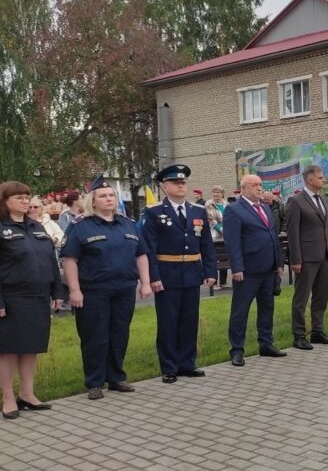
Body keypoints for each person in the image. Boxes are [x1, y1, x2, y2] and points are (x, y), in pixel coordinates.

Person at [60, 176, 152, 400]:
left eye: (112, 195)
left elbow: (141, 254)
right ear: (93, 200)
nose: (109, 199)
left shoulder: (127, 223)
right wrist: (74, 290)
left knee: (119, 333)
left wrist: (146, 282)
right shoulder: (81, 226)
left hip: (124, 288)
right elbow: (69, 259)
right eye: (103, 196)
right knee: (95, 336)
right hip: (93, 290)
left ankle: (116, 377)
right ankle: (95, 381)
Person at [142, 164, 217, 384]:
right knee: (168, 322)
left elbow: (206, 244)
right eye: (176, 182)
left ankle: (187, 363)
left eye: (183, 182)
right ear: (165, 186)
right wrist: (154, 277)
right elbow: (149, 249)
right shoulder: (154, 212)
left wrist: (210, 270)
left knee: (189, 320)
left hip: (192, 273)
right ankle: (169, 367)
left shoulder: (197, 210)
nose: (181, 186)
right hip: (167, 274)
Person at [0, 182, 64, 419]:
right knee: (7, 351)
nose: (25, 201)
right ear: (4, 201)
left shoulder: (37, 227)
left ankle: (27, 394)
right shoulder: (1, 228)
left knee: (31, 348)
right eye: (19, 197)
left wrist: (58, 292)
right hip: (11, 298)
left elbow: (51, 262)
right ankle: (8, 398)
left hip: (38, 297)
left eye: (27, 197)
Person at [223, 174, 285, 366]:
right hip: (248, 270)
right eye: (254, 185)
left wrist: (279, 263)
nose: (259, 188)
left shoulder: (265, 208)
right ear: (243, 189)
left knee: (267, 308)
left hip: (268, 268)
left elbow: (273, 236)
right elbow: (232, 242)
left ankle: (266, 344)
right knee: (240, 311)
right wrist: (237, 267)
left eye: (260, 185)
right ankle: (237, 349)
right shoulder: (234, 210)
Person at [285, 165, 328, 350]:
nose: (324, 180)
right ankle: (299, 335)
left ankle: (317, 331)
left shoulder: (322, 199)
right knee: (301, 298)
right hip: (306, 258)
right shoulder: (296, 201)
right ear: (310, 179)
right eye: (321, 177)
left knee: (321, 295)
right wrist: (296, 260)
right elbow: (293, 233)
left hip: (324, 256)